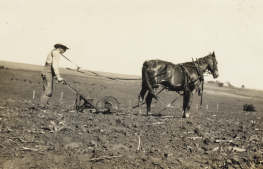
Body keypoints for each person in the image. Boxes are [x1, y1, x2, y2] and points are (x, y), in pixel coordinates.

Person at [40, 43, 69, 108]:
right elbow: (55, 65)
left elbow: (50, 65)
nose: (64, 52)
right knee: (49, 92)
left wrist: (55, 76)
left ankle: (43, 105)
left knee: (45, 90)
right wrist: (58, 77)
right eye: (65, 50)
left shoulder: (52, 51)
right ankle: (42, 107)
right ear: (61, 48)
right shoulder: (56, 53)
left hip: (45, 72)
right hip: (48, 72)